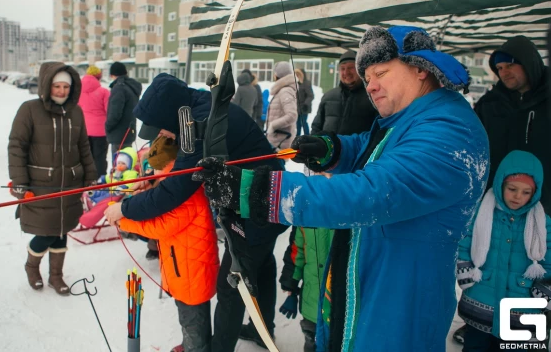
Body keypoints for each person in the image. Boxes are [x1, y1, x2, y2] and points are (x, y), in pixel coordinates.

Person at [194, 26, 490, 352]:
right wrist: (333, 149)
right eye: (367, 78)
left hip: (400, 301)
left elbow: (373, 191)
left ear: (420, 67)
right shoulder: (410, 120)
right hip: (368, 282)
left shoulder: (450, 131)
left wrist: (255, 190)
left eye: (381, 73)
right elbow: (374, 147)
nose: (371, 86)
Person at [104, 73, 287, 352]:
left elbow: (175, 191)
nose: (163, 136)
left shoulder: (202, 126)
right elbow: (176, 176)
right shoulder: (197, 109)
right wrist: (153, 178)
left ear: (170, 117)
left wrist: (124, 208)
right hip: (261, 199)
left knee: (233, 284)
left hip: (260, 205)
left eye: (163, 130)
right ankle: (264, 330)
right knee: (260, 266)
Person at [116, 136, 219, 352]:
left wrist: (124, 220)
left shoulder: (186, 195)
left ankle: (196, 348)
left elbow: (159, 227)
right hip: (183, 272)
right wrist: (141, 193)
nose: (153, 176)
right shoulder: (177, 188)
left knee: (193, 321)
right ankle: (191, 343)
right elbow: (158, 201)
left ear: (169, 168)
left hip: (193, 275)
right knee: (188, 319)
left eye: (156, 171)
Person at [8, 62, 97, 295]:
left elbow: (83, 146)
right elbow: (17, 146)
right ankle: (32, 267)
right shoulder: (29, 109)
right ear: (47, 86)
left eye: (65, 86)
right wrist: (19, 181)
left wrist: (90, 175)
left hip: (70, 183)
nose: (61, 91)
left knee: (61, 229)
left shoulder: (75, 112)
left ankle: (56, 276)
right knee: (46, 231)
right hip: (40, 185)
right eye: (56, 86)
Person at [456, 150, 551, 350]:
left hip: (522, 307)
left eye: (526, 193)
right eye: (512, 188)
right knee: (476, 346)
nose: (518, 197)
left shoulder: (542, 224)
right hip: (482, 299)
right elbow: (464, 242)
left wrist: (544, 288)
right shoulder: (480, 213)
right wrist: (465, 269)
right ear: (501, 184)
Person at [474, 36, 550, 212]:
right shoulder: (489, 105)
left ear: (528, 63)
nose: (504, 73)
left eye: (510, 65)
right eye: (499, 68)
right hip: (498, 203)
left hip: (546, 204)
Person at [279, 226, 333, 352]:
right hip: (311, 302)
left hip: (341, 304)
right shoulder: (304, 215)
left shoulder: (348, 212)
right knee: (312, 343)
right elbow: (297, 250)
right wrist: (290, 286)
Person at [311, 50, 378, 136]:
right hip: (328, 148)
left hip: (358, 149)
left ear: (360, 70)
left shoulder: (372, 96)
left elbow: (377, 132)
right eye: (342, 68)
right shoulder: (328, 96)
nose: (346, 72)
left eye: (350, 68)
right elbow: (316, 127)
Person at [106, 61, 142, 163]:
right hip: (129, 130)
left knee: (118, 166)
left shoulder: (119, 88)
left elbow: (115, 113)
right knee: (127, 163)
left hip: (119, 133)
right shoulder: (131, 87)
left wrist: (108, 126)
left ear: (112, 75)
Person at [78, 65, 110, 178]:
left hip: (84, 130)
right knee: (100, 157)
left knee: (87, 156)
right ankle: (100, 180)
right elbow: (109, 111)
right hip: (100, 131)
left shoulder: (78, 92)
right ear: (99, 77)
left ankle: (88, 178)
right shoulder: (104, 92)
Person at [265, 61, 298, 150]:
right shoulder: (283, 90)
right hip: (277, 139)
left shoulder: (285, 91)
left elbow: (292, 115)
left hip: (280, 141)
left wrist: (273, 125)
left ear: (277, 75)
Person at [295, 68, 314, 136]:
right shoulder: (296, 84)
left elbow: (310, 95)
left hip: (304, 107)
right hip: (297, 108)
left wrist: (306, 104)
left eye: (298, 74)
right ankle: (297, 136)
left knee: (303, 122)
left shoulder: (306, 83)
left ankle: (307, 135)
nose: (296, 76)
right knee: (297, 124)